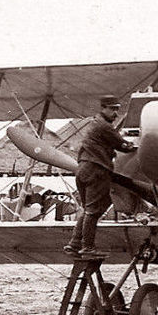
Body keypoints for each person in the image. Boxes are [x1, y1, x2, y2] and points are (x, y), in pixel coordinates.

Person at [65, 96, 136, 259]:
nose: (116, 113)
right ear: (103, 108)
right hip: (96, 171)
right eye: (113, 109)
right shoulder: (104, 127)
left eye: (117, 109)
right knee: (94, 211)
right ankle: (88, 247)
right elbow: (124, 146)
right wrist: (136, 145)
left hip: (82, 170)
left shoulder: (94, 124)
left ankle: (74, 244)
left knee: (88, 209)